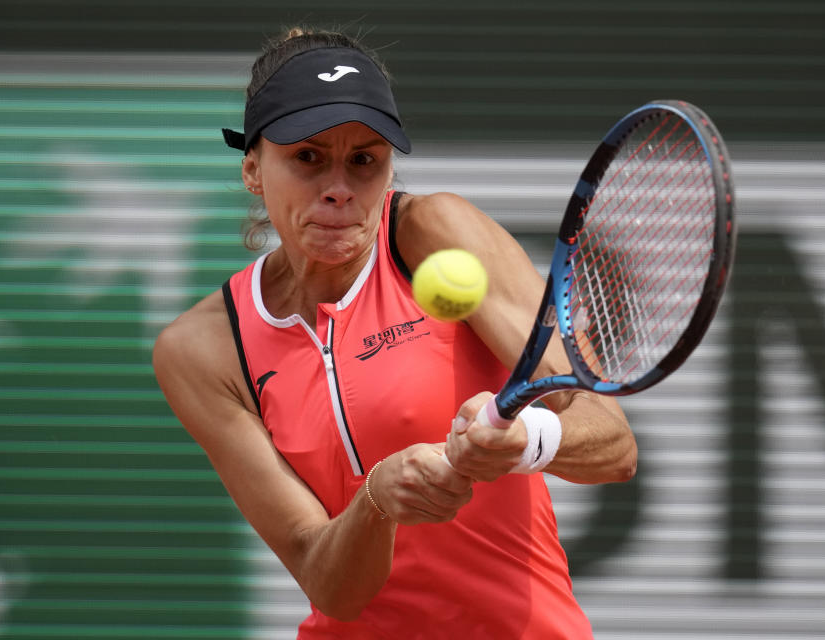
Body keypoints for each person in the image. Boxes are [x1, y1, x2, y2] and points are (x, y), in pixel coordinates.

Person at [153, 27, 637, 639]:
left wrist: (528, 439)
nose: (338, 187)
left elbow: (614, 446)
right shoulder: (203, 348)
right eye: (307, 157)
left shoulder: (436, 230)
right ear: (253, 167)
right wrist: (375, 502)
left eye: (364, 160)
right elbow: (332, 587)